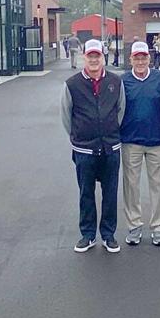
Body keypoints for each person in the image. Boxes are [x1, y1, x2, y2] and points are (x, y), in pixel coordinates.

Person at [61, 39, 125, 253]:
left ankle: (108, 235)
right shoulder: (72, 84)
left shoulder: (116, 82)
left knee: (110, 193)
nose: (94, 59)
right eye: (90, 56)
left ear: (103, 57)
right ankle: (88, 235)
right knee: (86, 193)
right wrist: (78, 136)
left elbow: (121, 111)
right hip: (84, 150)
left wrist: (111, 131)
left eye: (97, 55)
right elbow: (66, 116)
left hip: (110, 148)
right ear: (84, 57)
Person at [120, 41, 160, 247]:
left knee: (157, 185)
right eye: (136, 58)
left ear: (149, 58)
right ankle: (134, 225)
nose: (140, 61)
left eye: (144, 57)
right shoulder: (123, 81)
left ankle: (158, 227)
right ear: (130, 59)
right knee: (131, 185)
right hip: (131, 140)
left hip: (156, 140)